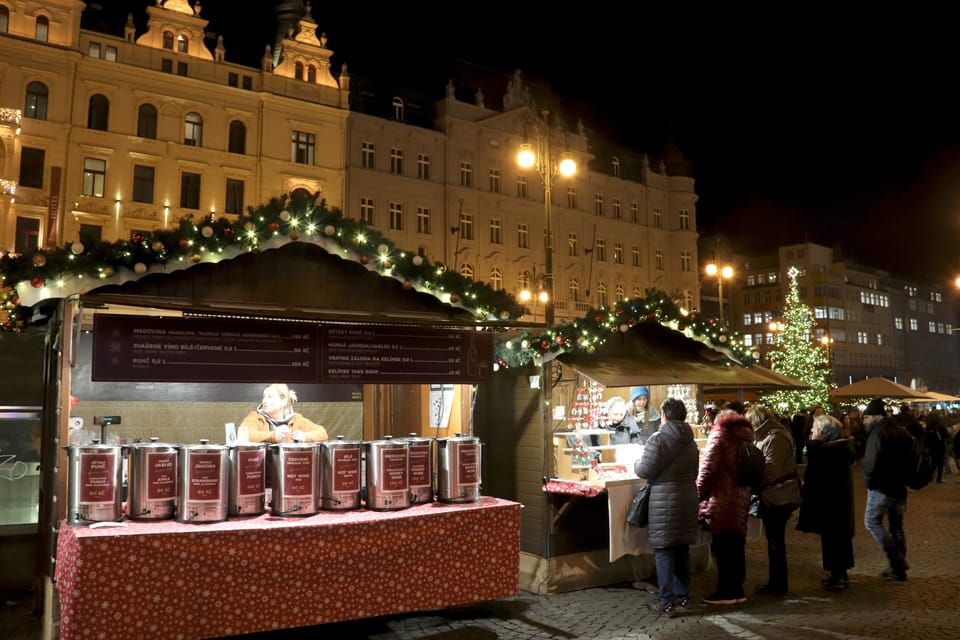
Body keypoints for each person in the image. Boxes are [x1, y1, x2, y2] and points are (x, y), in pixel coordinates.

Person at [634, 398, 700, 618]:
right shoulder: (691, 442)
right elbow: (695, 472)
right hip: (688, 498)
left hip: (665, 500)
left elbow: (644, 469)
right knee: (682, 549)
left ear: (664, 415)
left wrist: (635, 463)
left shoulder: (659, 439)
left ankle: (666, 601)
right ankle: (682, 596)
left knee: (664, 551)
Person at [697, 410, 754, 605]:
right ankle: (737, 590)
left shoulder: (719, 436)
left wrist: (697, 495)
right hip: (741, 496)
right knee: (736, 544)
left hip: (721, 498)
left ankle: (726, 592)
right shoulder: (744, 436)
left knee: (722, 546)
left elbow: (707, 470)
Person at [796, 413, 856, 591]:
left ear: (823, 432)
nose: (811, 433)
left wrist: (814, 443)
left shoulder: (829, 451)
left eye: (814, 430)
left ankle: (837, 576)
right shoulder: (838, 449)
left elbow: (816, 471)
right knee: (839, 538)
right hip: (838, 502)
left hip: (832, 503)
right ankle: (841, 574)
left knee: (833, 539)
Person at [746, 404, 798, 596]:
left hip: (776, 495)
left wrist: (756, 485)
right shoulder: (771, 435)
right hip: (773, 493)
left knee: (776, 542)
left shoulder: (774, 437)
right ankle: (776, 582)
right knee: (774, 541)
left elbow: (772, 470)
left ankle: (778, 585)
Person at [862, 397, 913, 582]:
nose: (864, 422)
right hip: (900, 487)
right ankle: (897, 570)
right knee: (897, 527)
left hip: (881, 487)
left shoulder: (878, 433)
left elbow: (871, 463)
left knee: (871, 522)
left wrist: (868, 482)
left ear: (876, 417)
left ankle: (897, 562)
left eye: (866, 418)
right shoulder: (901, 431)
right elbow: (912, 457)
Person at [240, 383, 329, 443]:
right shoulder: (255, 417)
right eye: (264, 397)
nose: (264, 401)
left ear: (283, 401)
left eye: (270, 397)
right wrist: (274, 436)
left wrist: (305, 436)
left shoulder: (296, 419)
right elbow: (243, 435)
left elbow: (322, 433)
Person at [924, 412, 947, 483]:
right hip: (940, 446)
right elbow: (946, 435)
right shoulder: (941, 426)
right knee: (940, 463)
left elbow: (926, 438)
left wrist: (926, 447)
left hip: (932, 447)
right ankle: (938, 478)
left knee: (933, 463)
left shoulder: (928, 426)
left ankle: (930, 476)